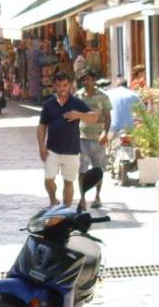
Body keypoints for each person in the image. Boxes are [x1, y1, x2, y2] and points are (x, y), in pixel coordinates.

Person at [37, 72, 99, 207]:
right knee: (48, 180)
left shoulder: (76, 103)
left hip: (71, 150)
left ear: (70, 85)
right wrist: (41, 147)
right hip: (52, 150)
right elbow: (42, 127)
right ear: (54, 86)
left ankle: (66, 211)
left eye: (65, 85)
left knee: (68, 182)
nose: (62, 89)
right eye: (59, 86)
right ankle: (53, 201)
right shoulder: (49, 104)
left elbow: (94, 117)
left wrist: (78, 115)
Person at [77, 70, 111, 210]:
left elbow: (107, 117)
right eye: (84, 80)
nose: (86, 82)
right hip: (82, 139)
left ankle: (97, 196)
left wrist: (105, 133)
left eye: (88, 79)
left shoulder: (103, 97)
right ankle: (82, 198)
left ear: (94, 80)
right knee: (82, 169)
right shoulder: (78, 96)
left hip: (98, 139)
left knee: (98, 170)